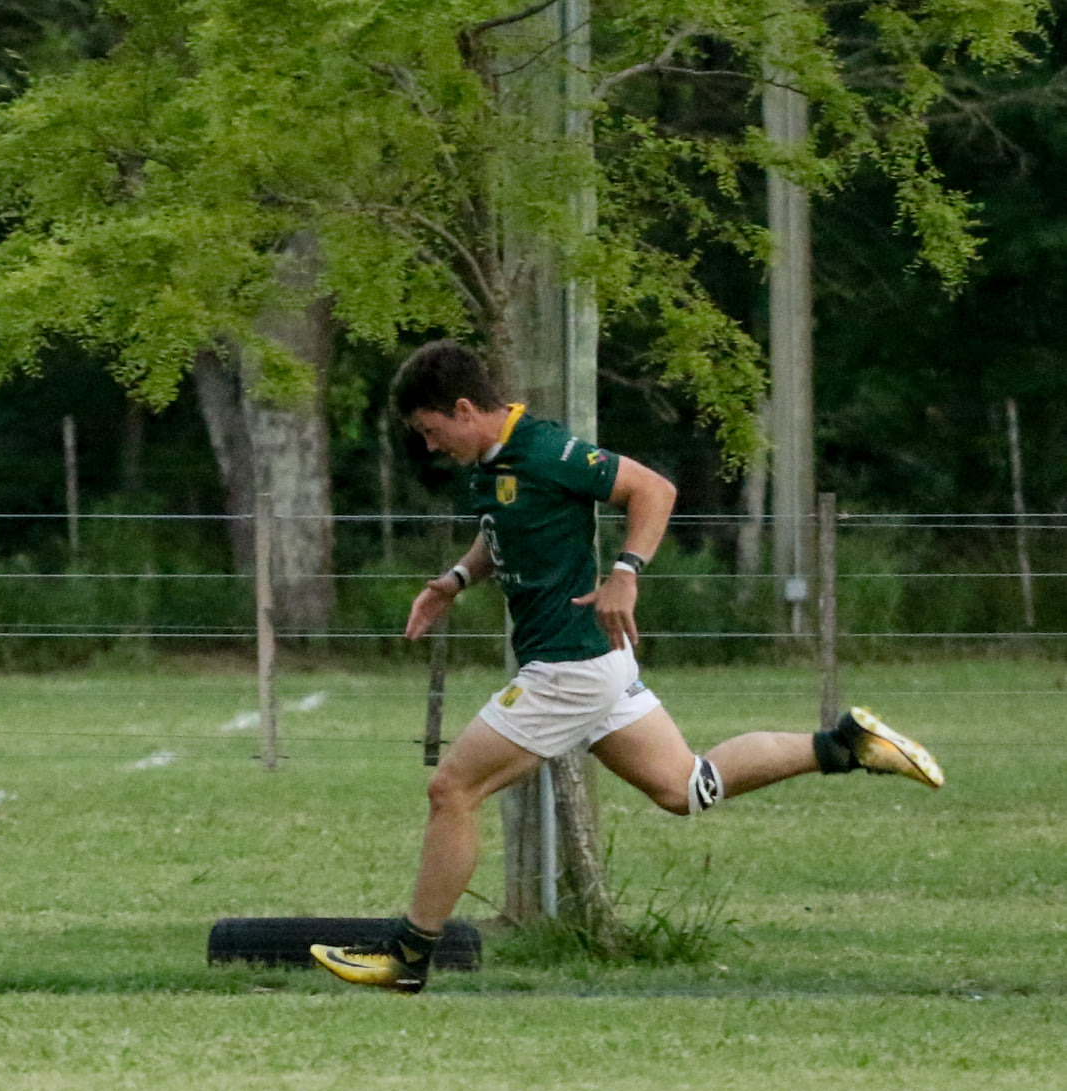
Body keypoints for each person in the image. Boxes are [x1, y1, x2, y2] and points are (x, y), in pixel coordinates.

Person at [311, 340, 942, 994]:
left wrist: (625, 571)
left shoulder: (548, 451)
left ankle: (406, 957)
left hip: (568, 666)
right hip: (595, 665)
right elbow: (505, 528)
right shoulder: (493, 464)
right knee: (685, 786)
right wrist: (456, 579)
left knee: (451, 790)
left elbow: (653, 489)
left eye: (430, 429)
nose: (430, 445)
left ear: (465, 409)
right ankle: (844, 744)